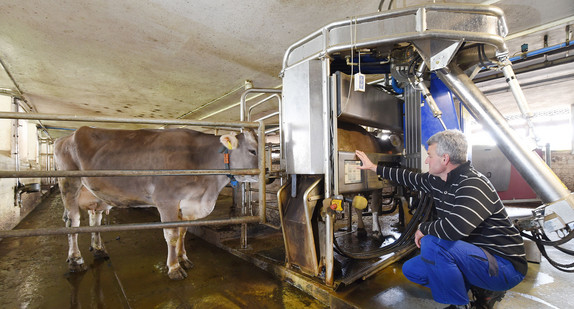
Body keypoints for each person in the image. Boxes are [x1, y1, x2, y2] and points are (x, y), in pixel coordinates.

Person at [355, 130, 527, 309]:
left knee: (432, 242)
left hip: (504, 266)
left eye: (429, 155)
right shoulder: (437, 180)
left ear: (445, 159)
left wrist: (424, 227)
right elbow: (409, 178)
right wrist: (373, 167)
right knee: (412, 270)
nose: (426, 160)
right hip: (474, 255)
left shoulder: (473, 184)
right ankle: (474, 289)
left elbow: (456, 228)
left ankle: (460, 305)